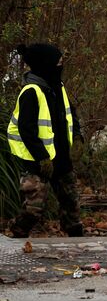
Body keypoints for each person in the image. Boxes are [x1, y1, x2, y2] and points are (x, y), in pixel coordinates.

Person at [7, 43, 84, 237]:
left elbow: (71, 115)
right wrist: (41, 157)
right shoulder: (31, 92)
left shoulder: (58, 87)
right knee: (34, 208)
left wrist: (77, 136)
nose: (61, 65)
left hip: (61, 158)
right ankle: (16, 233)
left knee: (71, 202)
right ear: (45, 64)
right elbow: (26, 130)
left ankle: (76, 238)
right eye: (58, 62)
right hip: (37, 161)